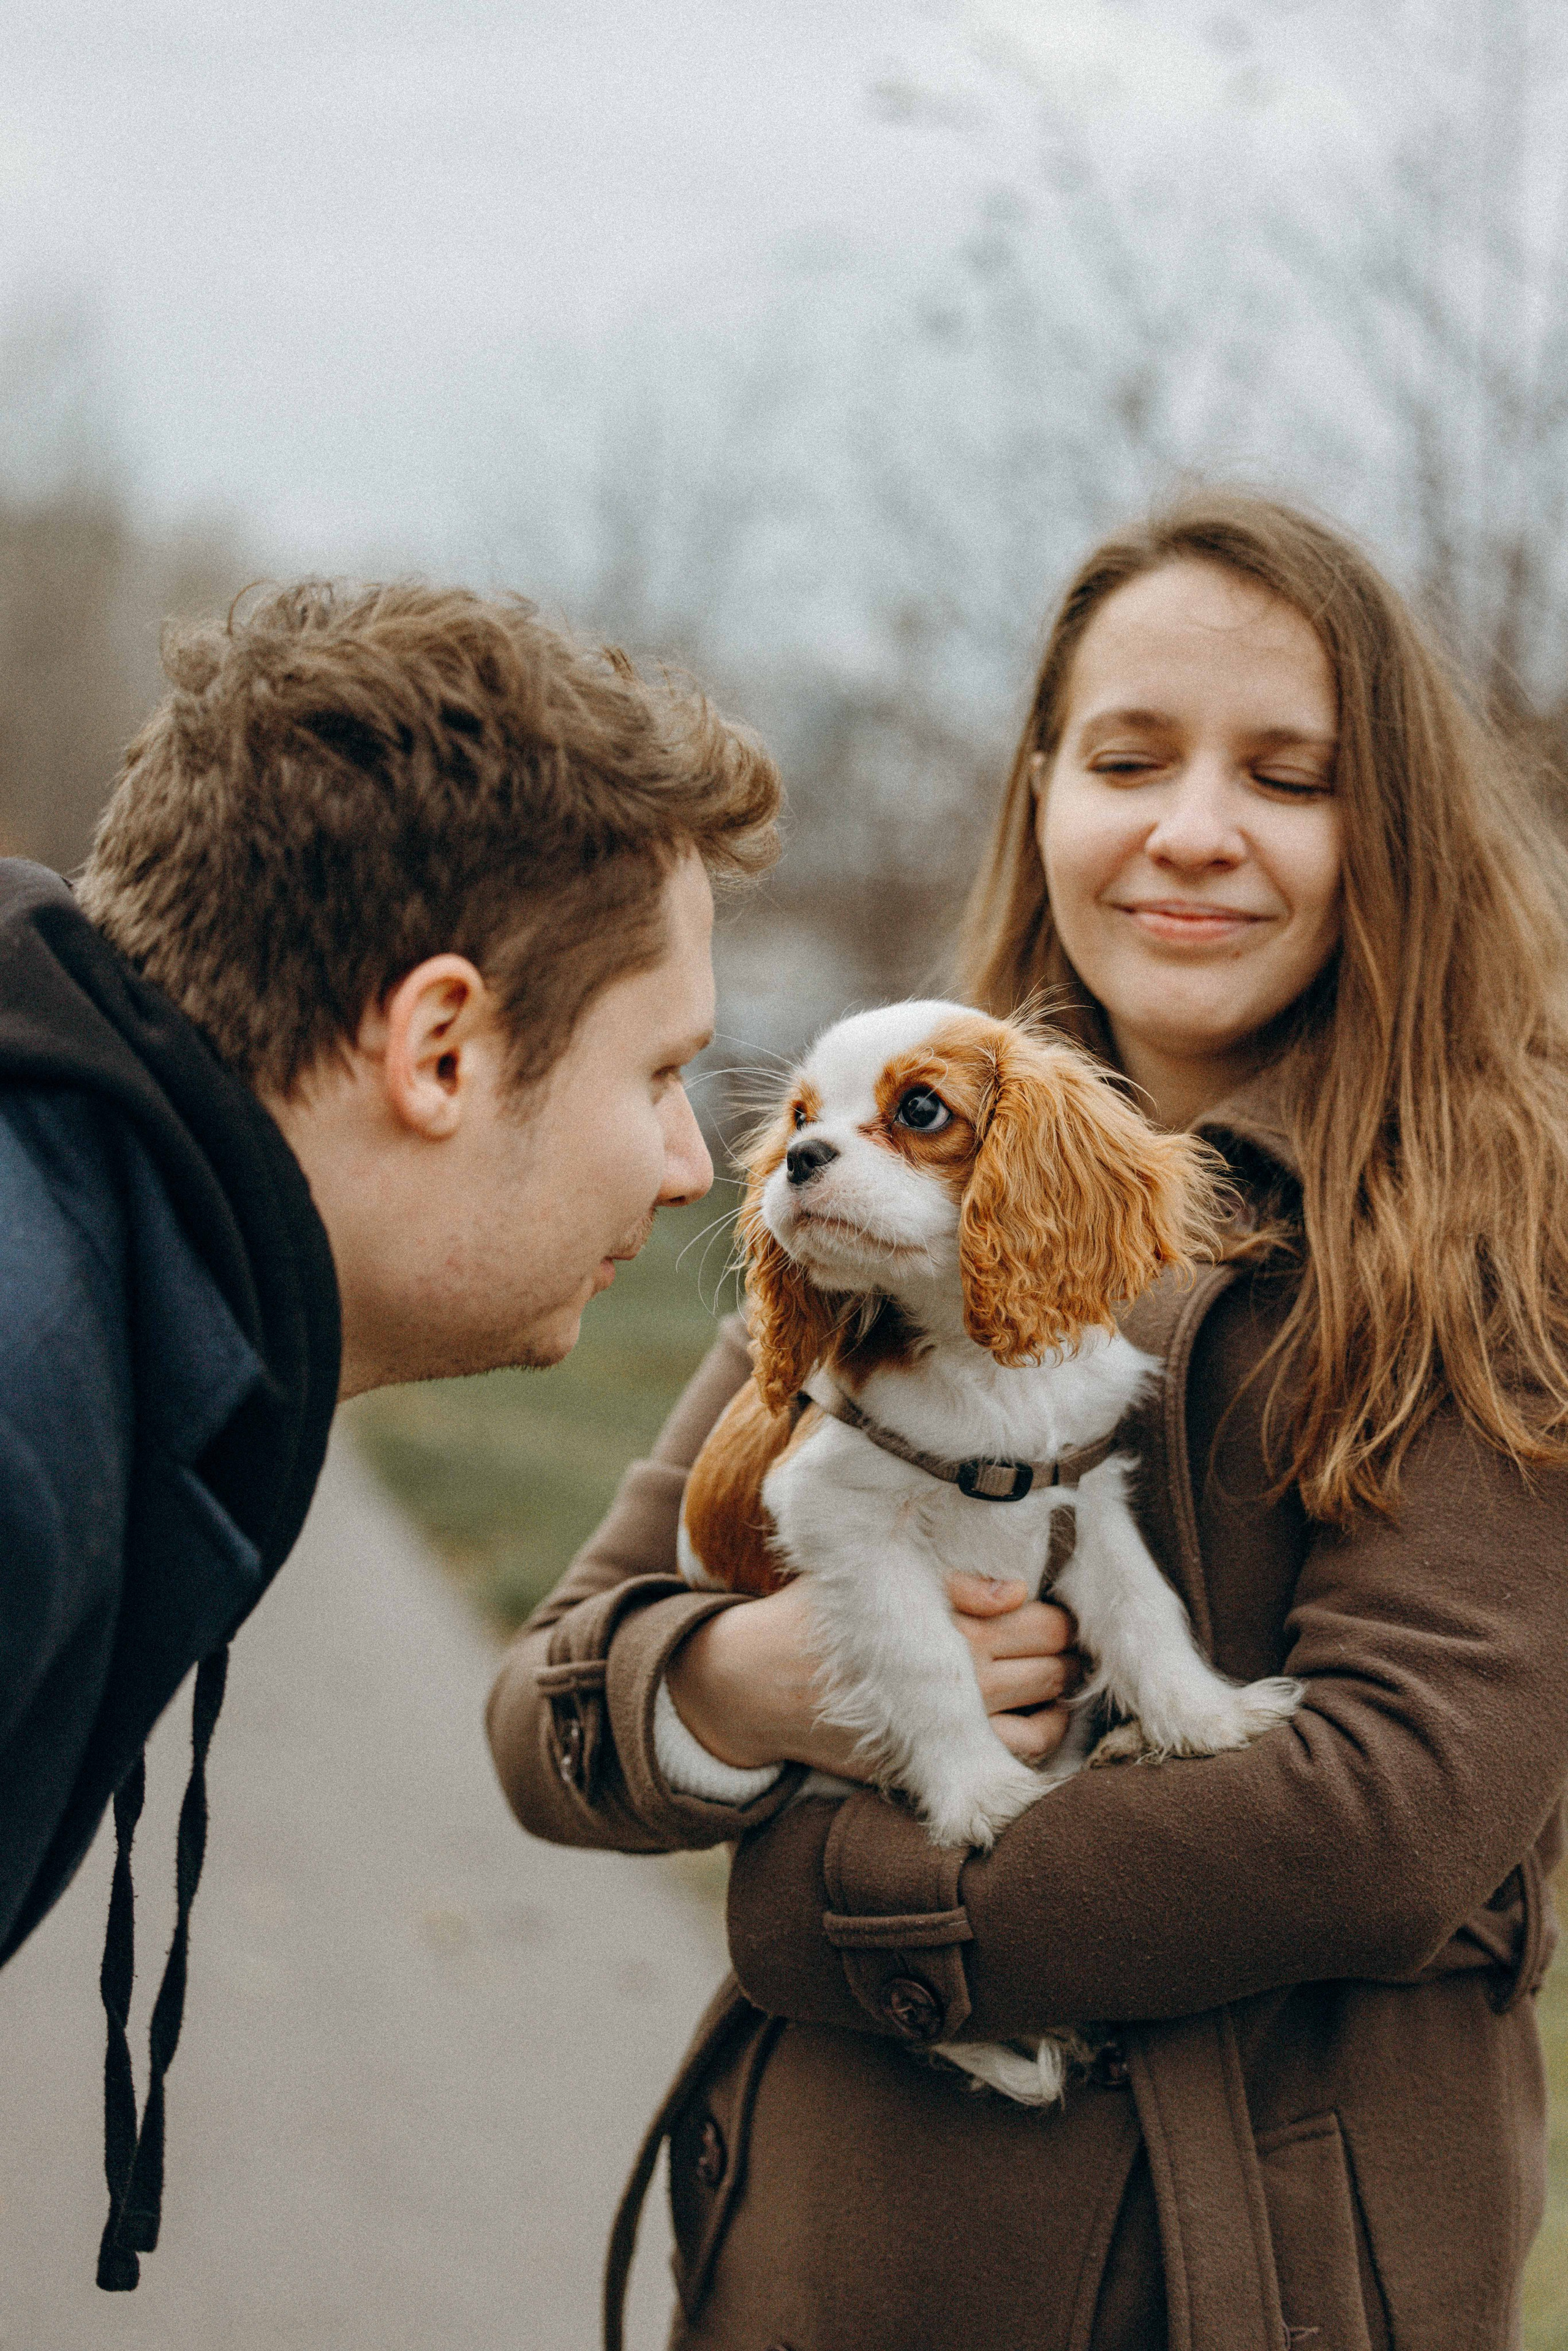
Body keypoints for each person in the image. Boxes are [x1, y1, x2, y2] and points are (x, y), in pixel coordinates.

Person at [486, 492, 1568, 2350]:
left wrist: (834, 1902)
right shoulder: (882, 1166)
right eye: (1129, 758)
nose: (1194, 832)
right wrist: (745, 1685)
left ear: (1386, 820)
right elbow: (552, 1706)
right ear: (1042, 786)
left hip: (1237, 2277)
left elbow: (1389, 1813)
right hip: (810, 2253)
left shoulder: (1495, 1210)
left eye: (1288, 777)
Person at [1, 579, 777, 2287]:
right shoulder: (27, 1392)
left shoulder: (104, 1266)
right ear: (438, 1047)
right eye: (660, 1075)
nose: (688, 1166)